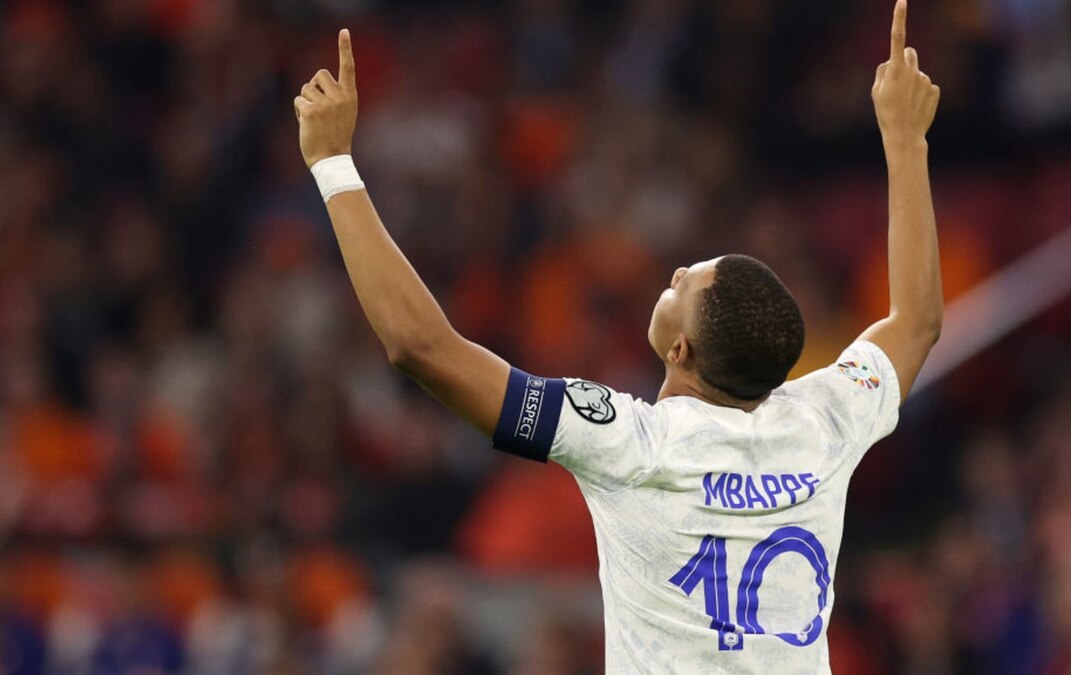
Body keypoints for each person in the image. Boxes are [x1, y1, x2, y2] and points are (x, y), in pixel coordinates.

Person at [292, 0, 941, 671]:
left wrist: (333, 163)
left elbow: (420, 346)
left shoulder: (631, 444)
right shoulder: (824, 421)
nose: (677, 271)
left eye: (684, 286)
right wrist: (907, 140)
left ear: (681, 350)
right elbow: (917, 322)